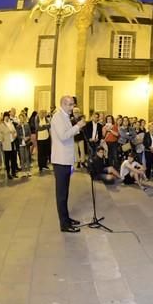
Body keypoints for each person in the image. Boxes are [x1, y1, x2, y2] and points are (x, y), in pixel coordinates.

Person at [50, 96, 86, 233]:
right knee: (61, 194)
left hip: (66, 160)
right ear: (64, 104)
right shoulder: (57, 117)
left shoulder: (65, 117)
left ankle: (66, 218)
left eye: (73, 104)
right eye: (70, 105)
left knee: (65, 193)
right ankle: (64, 225)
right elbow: (63, 136)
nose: (73, 107)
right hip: (60, 161)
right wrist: (77, 126)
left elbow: (69, 135)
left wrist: (77, 127)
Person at [0, 112, 18, 180]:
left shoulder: (11, 123)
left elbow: (15, 131)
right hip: (6, 144)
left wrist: (15, 135)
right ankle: (8, 173)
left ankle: (13, 173)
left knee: (13, 159)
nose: (7, 117)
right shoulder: (1, 125)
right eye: (6, 116)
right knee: (7, 160)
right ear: (4, 117)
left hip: (12, 142)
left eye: (8, 116)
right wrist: (0, 137)